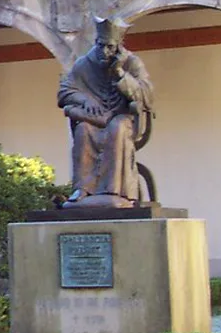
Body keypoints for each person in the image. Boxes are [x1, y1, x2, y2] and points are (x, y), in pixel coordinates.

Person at [57, 16, 155, 208]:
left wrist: (120, 74)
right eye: (101, 45)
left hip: (124, 118)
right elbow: (65, 91)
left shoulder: (132, 63)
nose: (104, 51)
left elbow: (146, 95)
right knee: (83, 129)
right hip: (95, 119)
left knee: (117, 128)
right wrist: (85, 99)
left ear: (118, 46)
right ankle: (83, 189)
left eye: (110, 47)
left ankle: (114, 190)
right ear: (96, 42)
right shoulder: (85, 63)